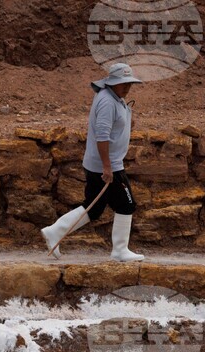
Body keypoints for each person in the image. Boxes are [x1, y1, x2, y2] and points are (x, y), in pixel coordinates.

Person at [42, 63, 144, 262]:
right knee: (126, 204)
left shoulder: (115, 97)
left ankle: (54, 231)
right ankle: (120, 250)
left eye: (129, 83)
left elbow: (113, 127)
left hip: (106, 163)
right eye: (123, 83)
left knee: (94, 207)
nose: (127, 87)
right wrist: (107, 166)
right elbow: (102, 136)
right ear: (112, 83)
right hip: (107, 165)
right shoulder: (107, 101)